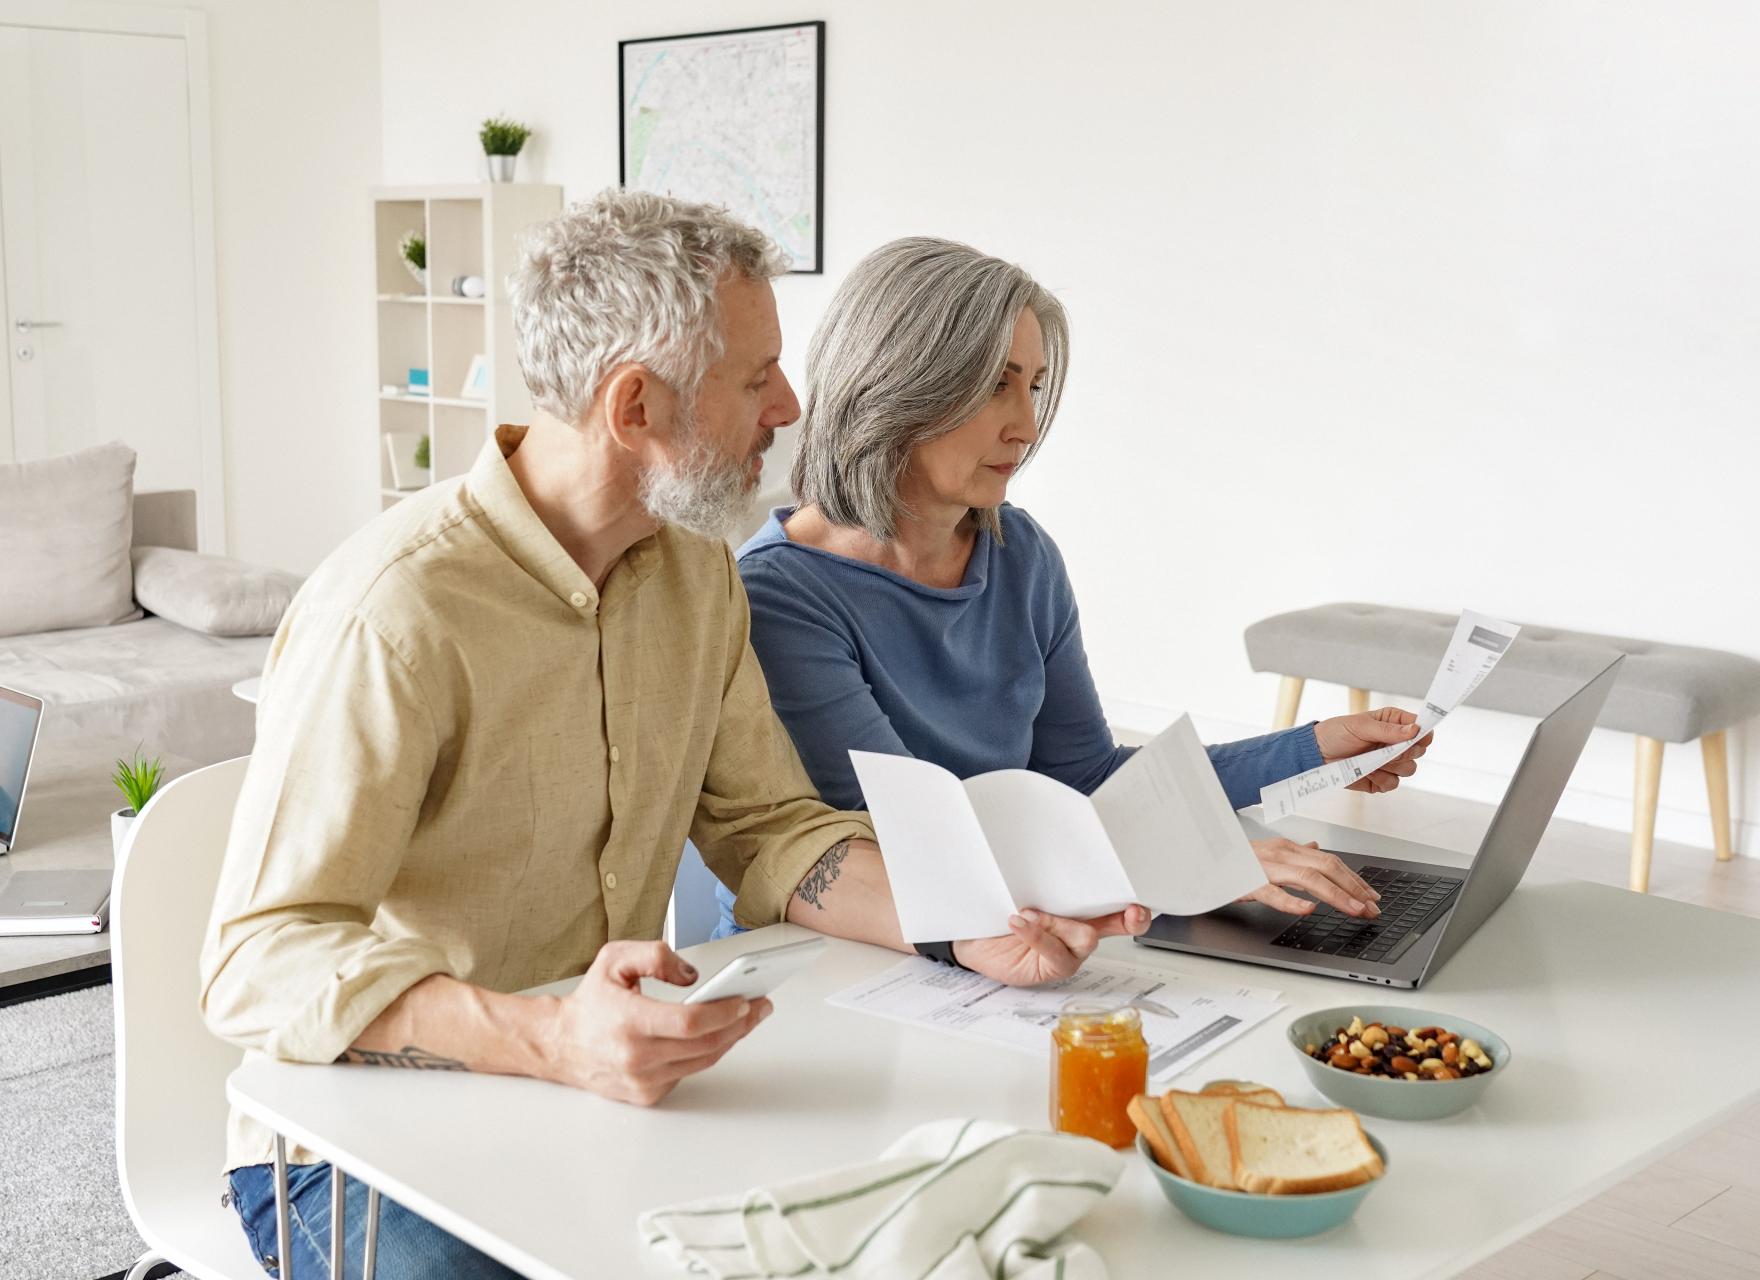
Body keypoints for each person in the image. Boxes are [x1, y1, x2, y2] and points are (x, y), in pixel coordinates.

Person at [200, 197, 1144, 1279]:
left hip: (603, 1095)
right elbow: (256, 961)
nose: (790, 407)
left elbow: (772, 828)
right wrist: (552, 1038)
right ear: (636, 404)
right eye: (757, 378)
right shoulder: (395, 613)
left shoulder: (697, 576)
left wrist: (963, 921)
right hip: (355, 1146)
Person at [714, 236, 1427, 938]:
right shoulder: (783, 595)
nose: (1025, 426)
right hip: (826, 959)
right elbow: (925, 839)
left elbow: (1088, 777)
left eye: (1033, 385)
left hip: (995, 933)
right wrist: (1190, 863)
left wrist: (1312, 750)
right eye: (996, 383)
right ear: (896, 383)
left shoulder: (1018, 553)